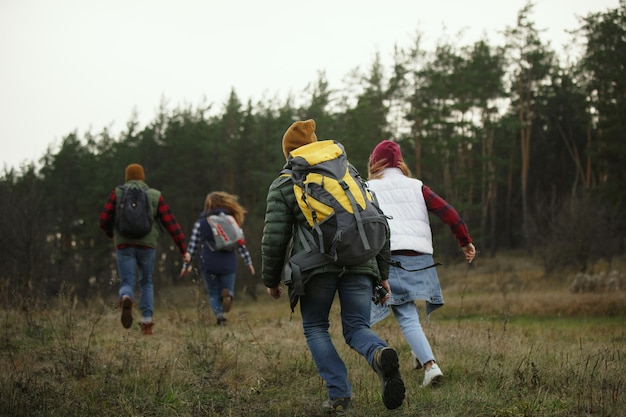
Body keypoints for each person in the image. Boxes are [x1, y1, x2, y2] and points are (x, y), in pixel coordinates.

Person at [261, 119, 406, 415]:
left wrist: (271, 278)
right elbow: (378, 221)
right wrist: (382, 273)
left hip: (317, 268)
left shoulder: (285, 182)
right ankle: (379, 354)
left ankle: (339, 396)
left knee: (315, 327)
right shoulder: (347, 173)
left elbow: (274, 237)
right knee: (356, 328)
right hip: (360, 262)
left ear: (289, 153)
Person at [366, 140, 477, 387]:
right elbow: (448, 212)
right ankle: (419, 355)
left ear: (375, 163)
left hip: (389, 257)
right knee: (408, 308)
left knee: (404, 313)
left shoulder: (368, 188)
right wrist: (465, 241)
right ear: (400, 163)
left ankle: (430, 366)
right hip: (421, 257)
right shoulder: (417, 186)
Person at [99, 163, 190, 335]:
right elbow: (171, 224)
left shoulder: (117, 193)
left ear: (126, 177)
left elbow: (104, 219)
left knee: (127, 281)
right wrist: (182, 249)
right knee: (146, 281)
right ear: (142, 177)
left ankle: (126, 298)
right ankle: (147, 323)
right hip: (147, 244)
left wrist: (113, 235)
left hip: (124, 244)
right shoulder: (154, 195)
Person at [180, 191, 255, 326]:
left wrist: (186, 266)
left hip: (209, 262)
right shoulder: (232, 221)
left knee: (213, 292)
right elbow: (240, 244)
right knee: (226, 287)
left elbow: (192, 247)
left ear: (208, 205)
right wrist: (248, 262)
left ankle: (220, 317)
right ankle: (228, 295)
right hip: (228, 262)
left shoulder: (201, 223)